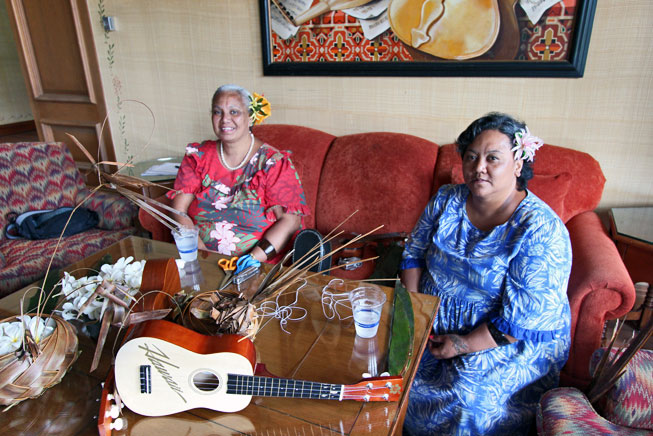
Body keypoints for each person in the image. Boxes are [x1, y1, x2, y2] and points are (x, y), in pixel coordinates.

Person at [400, 113, 572, 435]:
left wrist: (462, 344)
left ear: (518, 164)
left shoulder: (539, 229)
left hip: (503, 339)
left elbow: (524, 319)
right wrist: (416, 312)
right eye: (471, 157)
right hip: (431, 319)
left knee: (465, 394)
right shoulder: (446, 200)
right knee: (386, 362)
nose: (479, 167)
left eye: (493, 158)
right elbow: (413, 253)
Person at [167, 84, 308, 263]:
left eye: (234, 112)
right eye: (218, 112)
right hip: (199, 258)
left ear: (250, 118)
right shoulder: (198, 157)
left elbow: (290, 222)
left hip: (256, 263)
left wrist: (251, 260)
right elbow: (179, 210)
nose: (225, 119)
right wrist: (198, 253)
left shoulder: (273, 163)